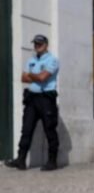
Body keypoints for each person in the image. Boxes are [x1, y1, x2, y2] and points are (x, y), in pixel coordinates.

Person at [5, 34, 60, 171]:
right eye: (35, 44)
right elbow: (23, 78)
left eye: (39, 44)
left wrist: (32, 75)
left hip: (46, 99)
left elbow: (42, 78)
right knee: (26, 130)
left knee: (50, 130)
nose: (37, 46)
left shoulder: (52, 60)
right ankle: (21, 160)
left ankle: (52, 161)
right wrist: (35, 76)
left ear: (46, 45)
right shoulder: (31, 60)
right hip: (32, 99)